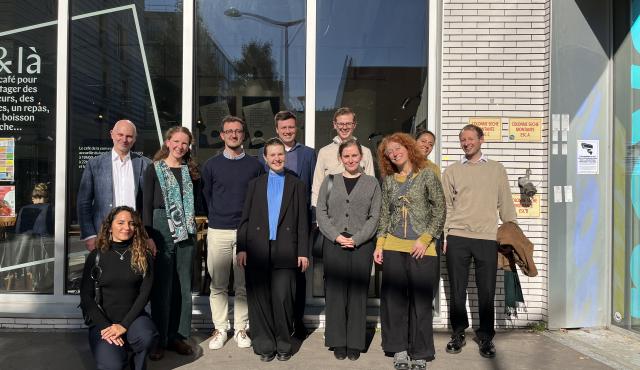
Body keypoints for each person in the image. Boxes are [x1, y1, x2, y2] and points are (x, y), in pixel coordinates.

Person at [441, 124, 517, 359]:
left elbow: (505, 202)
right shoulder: (452, 170)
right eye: (462, 140)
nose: (466, 143)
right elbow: (446, 206)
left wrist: (512, 232)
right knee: (457, 289)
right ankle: (458, 333)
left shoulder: (496, 169)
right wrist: (445, 234)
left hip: (486, 237)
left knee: (487, 291)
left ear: (481, 140)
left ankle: (485, 337)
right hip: (458, 236)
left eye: (470, 139)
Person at [374, 133, 446, 370]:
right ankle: (399, 350)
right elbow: (384, 213)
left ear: (408, 147)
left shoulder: (427, 174)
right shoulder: (389, 180)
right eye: (389, 152)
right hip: (394, 246)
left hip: (422, 248)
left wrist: (425, 240)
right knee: (395, 301)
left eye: (397, 148)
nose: (394, 153)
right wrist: (379, 244)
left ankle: (420, 352)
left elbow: (440, 210)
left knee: (421, 301)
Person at [236, 137, 310, 362]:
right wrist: (242, 248)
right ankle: (265, 345)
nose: (277, 158)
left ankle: (284, 344)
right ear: (265, 158)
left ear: (284, 157)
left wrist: (303, 251)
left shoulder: (296, 184)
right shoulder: (255, 185)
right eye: (273, 155)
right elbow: (245, 219)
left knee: (283, 299)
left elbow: (302, 222)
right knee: (259, 300)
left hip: (286, 249)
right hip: (257, 248)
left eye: (280, 154)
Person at [201, 115, 265, 350]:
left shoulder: (255, 166)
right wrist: (217, 216)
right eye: (229, 131)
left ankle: (240, 329)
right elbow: (207, 196)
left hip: (245, 232)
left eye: (238, 131)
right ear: (222, 135)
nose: (234, 135)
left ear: (244, 134)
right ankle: (220, 328)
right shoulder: (211, 165)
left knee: (242, 284)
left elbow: (258, 199)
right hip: (218, 230)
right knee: (217, 284)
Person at [316, 139, 381, 361]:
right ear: (340, 158)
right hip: (333, 245)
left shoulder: (372, 183)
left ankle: (354, 342)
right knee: (335, 293)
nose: (351, 160)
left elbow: (375, 216)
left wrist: (358, 238)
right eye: (347, 156)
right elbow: (321, 213)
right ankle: (337, 341)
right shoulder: (330, 181)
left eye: (354, 156)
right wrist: (336, 236)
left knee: (357, 294)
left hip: (361, 246)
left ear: (361, 157)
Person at [258, 110, 316, 338]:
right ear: (277, 130)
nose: (288, 131)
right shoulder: (268, 154)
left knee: (299, 274)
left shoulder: (309, 154)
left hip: (299, 223)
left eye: (291, 127)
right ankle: (276, 322)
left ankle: (297, 320)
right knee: (276, 279)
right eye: (284, 128)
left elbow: (312, 186)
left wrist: (309, 219)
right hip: (274, 227)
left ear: (296, 128)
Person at [143, 126, 199, 360]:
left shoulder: (192, 172)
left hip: (186, 229)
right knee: (162, 285)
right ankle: (159, 337)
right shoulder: (153, 169)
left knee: (183, 285)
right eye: (176, 141)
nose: (180, 146)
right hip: (160, 227)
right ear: (167, 142)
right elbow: (145, 203)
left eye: (185, 143)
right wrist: (147, 236)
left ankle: (178, 336)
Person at [80, 206, 157, 370]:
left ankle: (136, 363)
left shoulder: (144, 255)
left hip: (133, 319)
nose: (127, 227)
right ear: (109, 227)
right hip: (104, 322)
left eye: (131, 223)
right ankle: (118, 353)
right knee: (112, 365)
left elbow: (145, 293)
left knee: (146, 337)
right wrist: (104, 326)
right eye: (121, 222)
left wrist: (124, 325)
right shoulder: (97, 256)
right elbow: (86, 296)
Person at [77, 119, 152, 252]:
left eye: (129, 136)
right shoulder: (95, 164)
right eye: (120, 135)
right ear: (112, 134)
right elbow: (84, 203)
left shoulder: (145, 164)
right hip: (103, 235)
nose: (124, 139)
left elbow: (149, 205)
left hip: (135, 234)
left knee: (135, 272)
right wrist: (89, 235)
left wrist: (148, 235)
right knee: (104, 272)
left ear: (134, 139)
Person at [311, 107, 375, 209]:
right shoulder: (324, 152)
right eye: (341, 124)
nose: (344, 127)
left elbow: (371, 186)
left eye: (348, 123)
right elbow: (317, 186)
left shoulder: (365, 152)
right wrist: (319, 217)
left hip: (358, 212)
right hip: (331, 213)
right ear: (334, 125)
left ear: (354, 125)